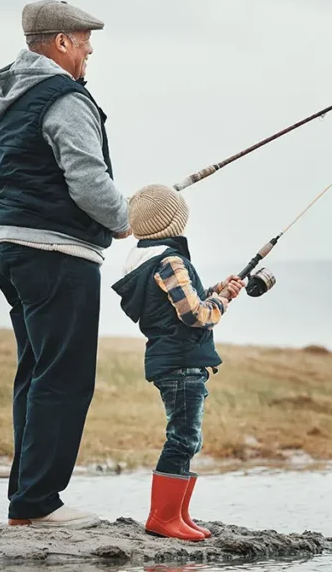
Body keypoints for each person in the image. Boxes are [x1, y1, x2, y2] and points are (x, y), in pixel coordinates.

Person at [0, 0, 130, 528]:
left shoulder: (14, 97)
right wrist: (122, 218)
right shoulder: (66, 98)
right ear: (62, 43)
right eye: (84, 38)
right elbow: (88, 180)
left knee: (36, 375)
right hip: (56, 252)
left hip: (14, 249)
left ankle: (26, 501)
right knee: (65, 379)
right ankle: (37, 504)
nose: (91, 48)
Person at [111, 184, 244, 541]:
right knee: (183, 438)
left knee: (187, 438)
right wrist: (223, 302)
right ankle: (163, 518)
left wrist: (218, 288)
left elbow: (171, 304)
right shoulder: (170, 260)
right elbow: (195, 315)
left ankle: (178, 514)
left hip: (172, 359)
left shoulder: (146, 260)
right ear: (173, 222)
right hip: (181, 362)